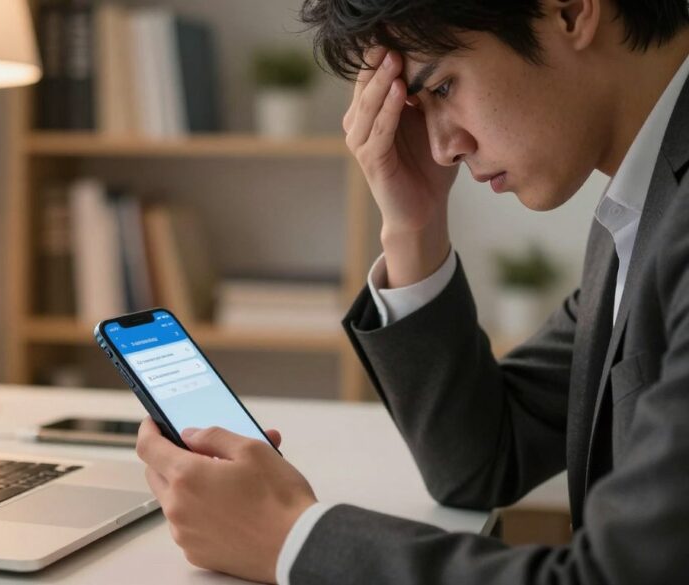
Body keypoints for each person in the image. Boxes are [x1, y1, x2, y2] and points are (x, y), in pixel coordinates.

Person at [134, 0, 689, 583]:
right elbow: (481, 461)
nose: (442, 148)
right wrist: (414, 226)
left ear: (571, 12)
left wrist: (288, 538)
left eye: (443, 86)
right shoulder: (641, 210)